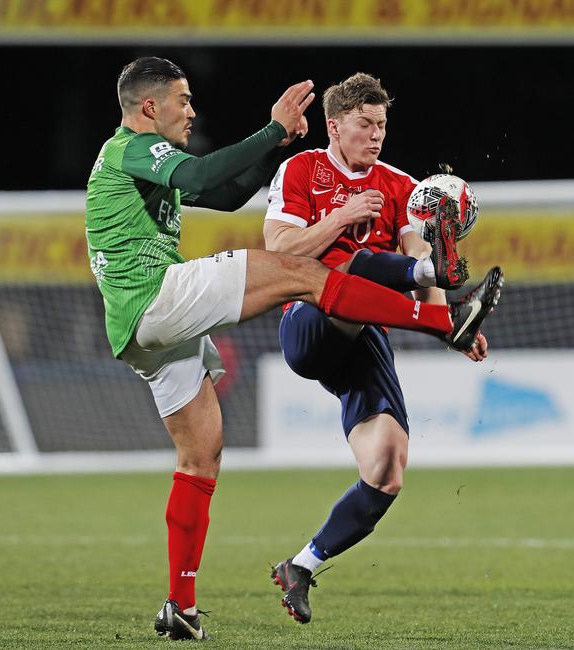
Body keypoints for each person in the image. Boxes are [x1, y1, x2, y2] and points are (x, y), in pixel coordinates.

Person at [85, 57, 500, 641]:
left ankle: (181, 605)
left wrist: (431, 268)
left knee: (201, 458)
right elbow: (206, 178)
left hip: (142, 329)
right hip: (157, 295)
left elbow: (225, 196)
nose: (191, 110)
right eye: (182, 99)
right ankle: (438, 322)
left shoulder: (399, 184)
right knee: (300, 273)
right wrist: (275, 131)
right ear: (150, 106)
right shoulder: (131, 146)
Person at [264, 72, 503, 624]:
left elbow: (422, 267)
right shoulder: (300, 169)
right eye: (365, 124)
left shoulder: (402, 186)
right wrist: (343, 217)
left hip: (368, 331)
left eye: (382, 125)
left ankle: (301, 565)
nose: (376, 135)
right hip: (309, 319)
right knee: (350, 266)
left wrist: (447, 317)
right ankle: (442, 317)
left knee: (386, 470)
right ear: (334, 126)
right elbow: (279, 250)